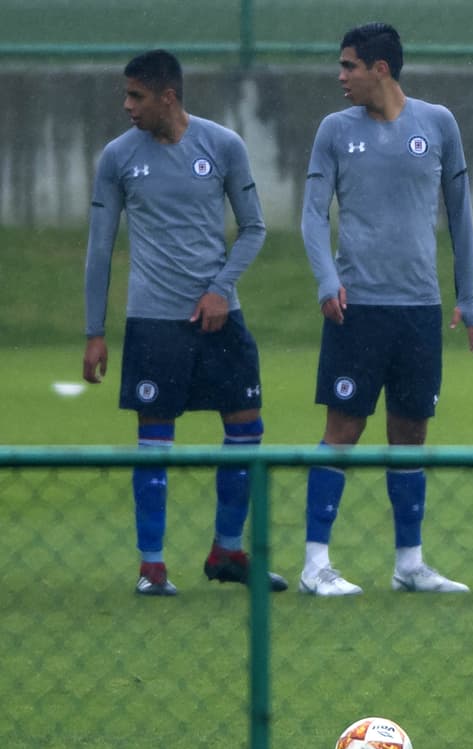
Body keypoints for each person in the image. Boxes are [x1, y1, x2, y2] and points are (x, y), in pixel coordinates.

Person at [82, 49, 287, 596]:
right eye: (126, 95)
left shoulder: (222, 146)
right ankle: (152, 567)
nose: (127, 106)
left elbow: (254, 229)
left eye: (136, 96)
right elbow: (100, 249)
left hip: (222, 321)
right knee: (155, 442)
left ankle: (227, 551)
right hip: (154, 324)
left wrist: (221, 289)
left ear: (167, 97)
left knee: (247, 429)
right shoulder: (117, 158)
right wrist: (94, 332)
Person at [298, 22, 473, 596]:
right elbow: (310, 214)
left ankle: (409, 563)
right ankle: (315, 564)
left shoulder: (439, 124)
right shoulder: (333, 131)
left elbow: (460, 215)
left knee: (410, 431)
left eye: (349, 65)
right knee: (342, 429)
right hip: (357, 309)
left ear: (381, 69)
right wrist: (328, 281)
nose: (340, 76)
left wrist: (468, 298)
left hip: (419, 310)